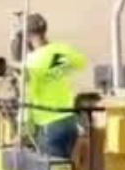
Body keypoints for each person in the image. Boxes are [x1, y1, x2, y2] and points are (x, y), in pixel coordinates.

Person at [21, 13, 87, 158]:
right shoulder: (60, 50)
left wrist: (24, 127)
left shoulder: (31, 61)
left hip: (48, 126)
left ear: (28, 36)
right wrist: (57, 67)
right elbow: (81, 62)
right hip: (69, 122)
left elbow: (27, 95)